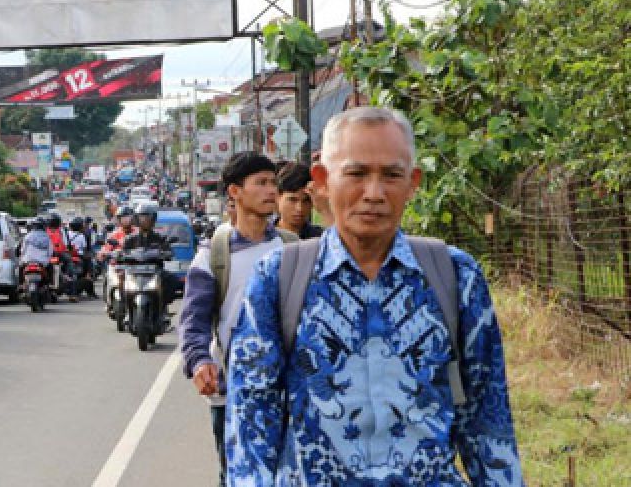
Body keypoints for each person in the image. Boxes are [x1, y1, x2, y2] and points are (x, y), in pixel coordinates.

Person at [225, 107, 523, 485]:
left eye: (392, 175)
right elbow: (251, 426)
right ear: (321, 180)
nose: (374, 193)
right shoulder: (278, 278)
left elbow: (488, 423)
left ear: (413, 182)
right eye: (356, 173)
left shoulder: (455, 276)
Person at [176, 152, 286, 485]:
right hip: (232, 394)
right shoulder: (213, 255)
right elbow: (193, 320)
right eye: (261, 183)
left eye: (273, 183)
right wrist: (198, 362)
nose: (270, 191)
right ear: (235, 192)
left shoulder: (290, 248)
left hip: (287, 391)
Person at [121, 202, 173, 315]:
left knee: (171, 279)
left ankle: (163, 308)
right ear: (136, 219)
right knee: (121, 278)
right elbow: (122, 252)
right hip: (134, 272)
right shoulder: (130, 239)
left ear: (153, 219)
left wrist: (167, 253)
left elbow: (168, 250)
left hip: (155, 271)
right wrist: (119, 255)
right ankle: (124, 310)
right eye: (141, 217)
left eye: (147, 217)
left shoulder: (159, 237)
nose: (144, 221)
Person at [274, 162, 325, 239]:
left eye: (306, 201)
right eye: (292, 200)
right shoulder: (263, 237)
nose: (300, 208)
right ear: (277, 197)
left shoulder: (322, 238)